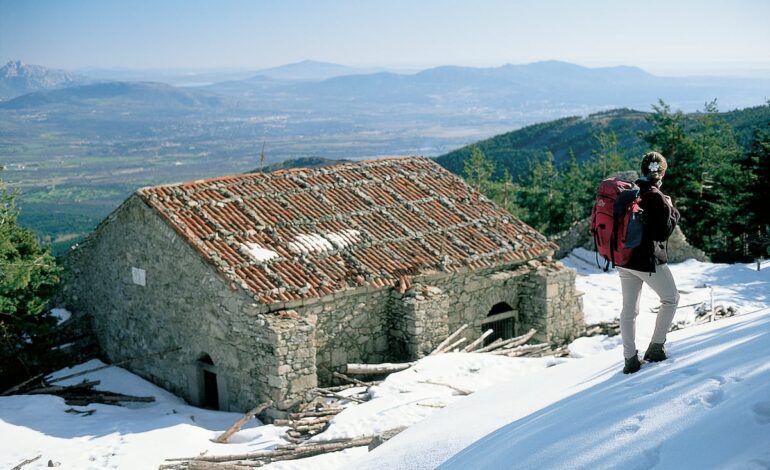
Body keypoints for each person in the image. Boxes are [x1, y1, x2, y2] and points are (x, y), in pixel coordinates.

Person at [618, 151, 681, 374]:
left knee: (628, 310)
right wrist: (672, 209)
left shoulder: (630, 190)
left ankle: (629, 358)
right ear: (662, 172)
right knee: (671, 298)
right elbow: (662, 232)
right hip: (646, 261)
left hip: (623, 259)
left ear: (643, 170)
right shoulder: (656, 196)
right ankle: (655, 347)